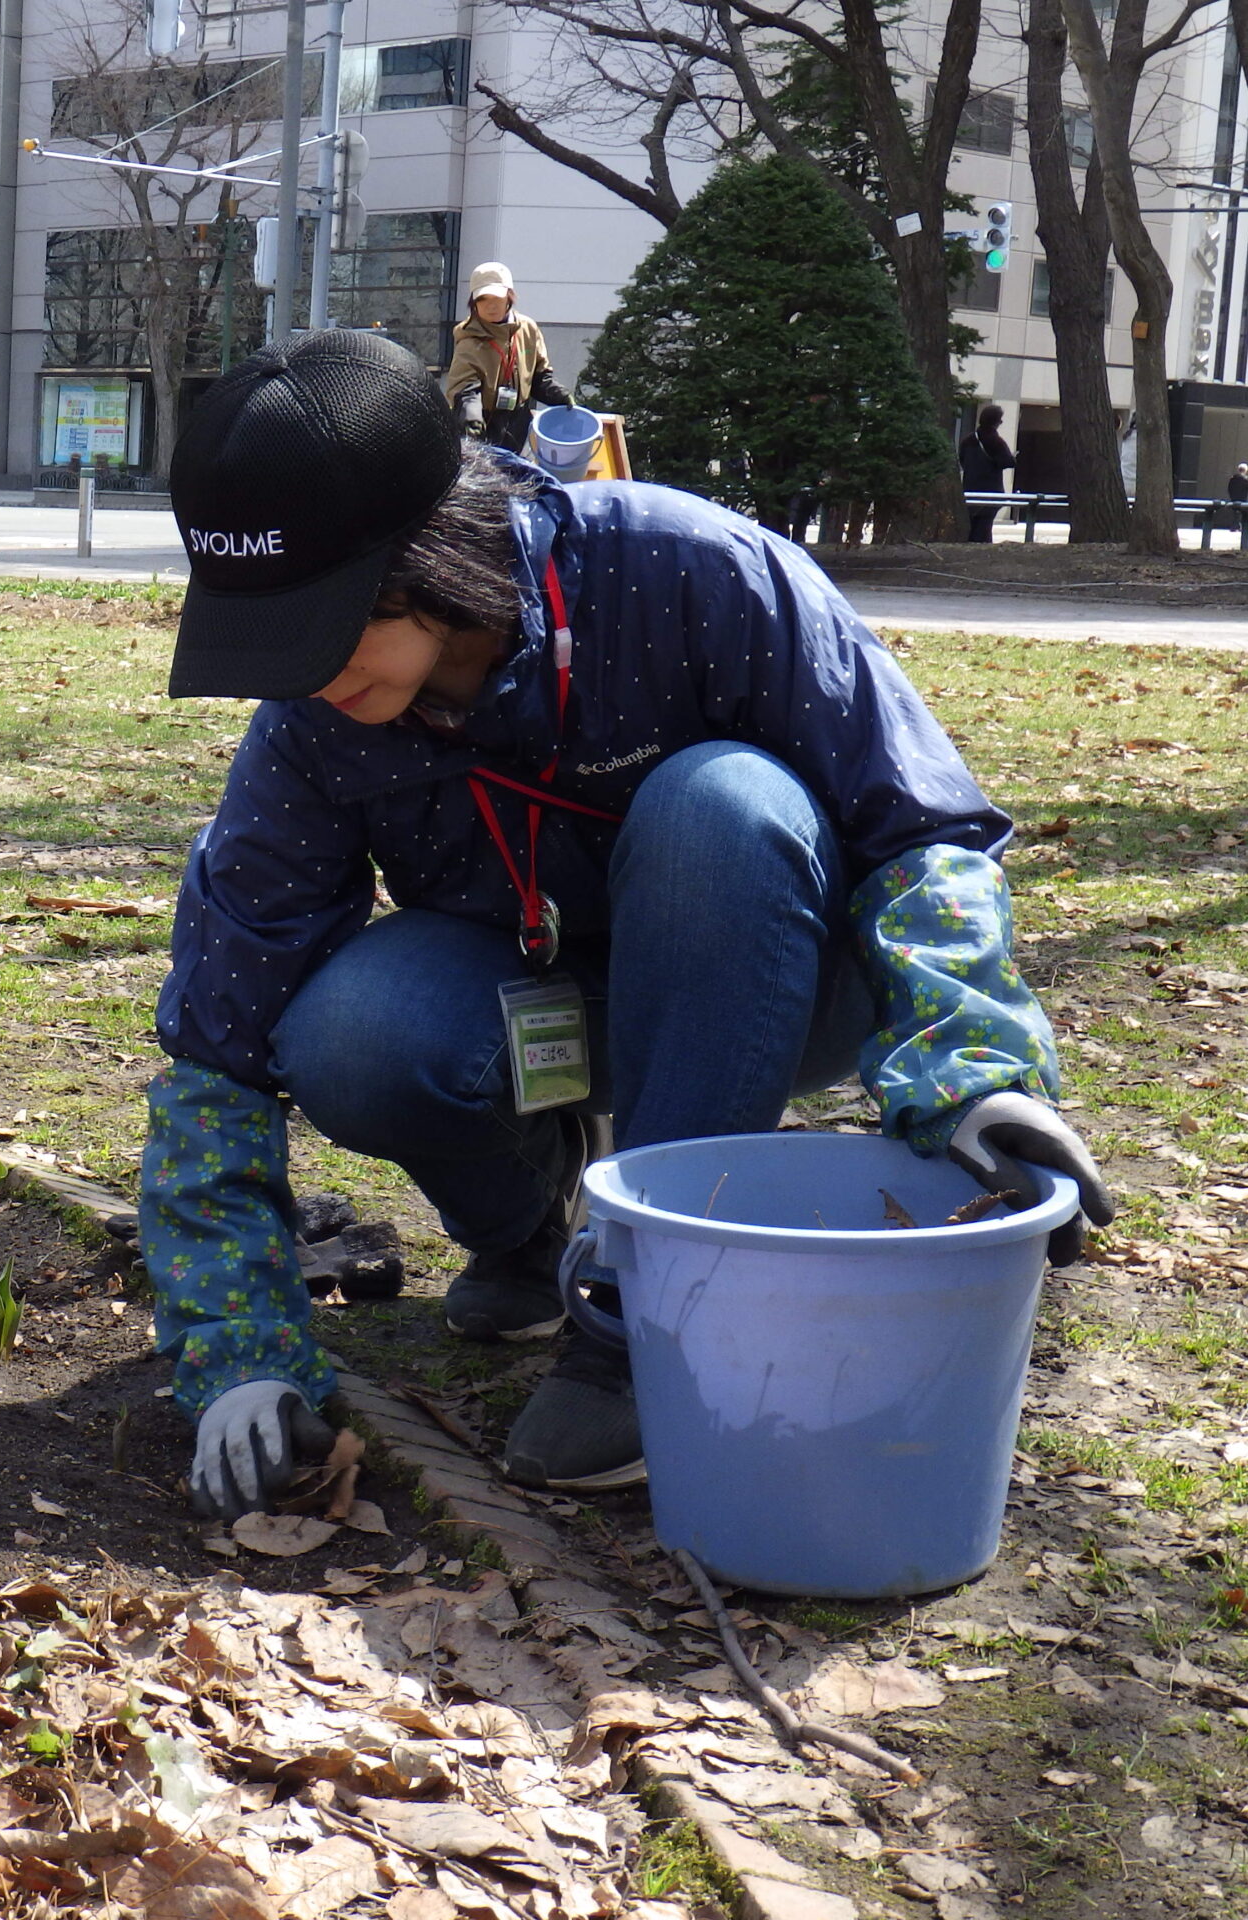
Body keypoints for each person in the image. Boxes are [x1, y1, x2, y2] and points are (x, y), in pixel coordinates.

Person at [143, 330, 1114, 1520]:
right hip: (538, 994)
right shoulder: (314, 720)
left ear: (436, 554)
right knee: (351, 1031)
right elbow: (218, 1035)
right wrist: (231, 1351)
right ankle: (530, 1228)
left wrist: (976, 1077)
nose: (300, 679)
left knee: (722, 804)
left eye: (327, 625)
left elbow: (917, 831)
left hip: (764, 975)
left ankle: (639, 1327)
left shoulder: (689, 573)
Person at [441, 262, 569, 456]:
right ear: (473, 303)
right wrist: (471, 421)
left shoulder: (527, 329)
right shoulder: (468, 340)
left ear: (509, 297)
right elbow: (465, 391)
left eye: (497, 298)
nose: (490, 306)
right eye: (483, 299)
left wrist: (561, 396)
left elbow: (539, 377)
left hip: (518, 421)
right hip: (482, 424)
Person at [959, 404, 1015, 543]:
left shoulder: (967, 440)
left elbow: (962, 460)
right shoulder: (996, 441)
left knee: (972, 526)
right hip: (991, 490)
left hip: (970, 489)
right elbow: (1008, 462)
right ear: (996, 421)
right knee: (984, 528)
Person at [1226, 462, 1247, 540]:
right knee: (1243, 513)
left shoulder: (1232, 479)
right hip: (1242, 498)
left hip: (1234, 498)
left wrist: (1231, 496)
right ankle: (1239, 526)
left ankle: (1235, 526)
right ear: (1245, 470)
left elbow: (1229, 488)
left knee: (1235, 512)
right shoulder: (1246, 479)